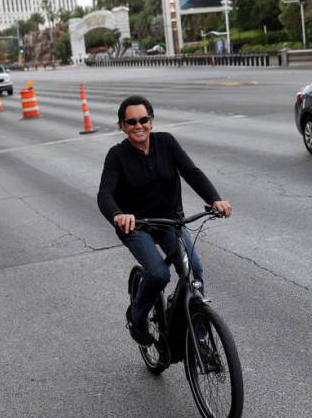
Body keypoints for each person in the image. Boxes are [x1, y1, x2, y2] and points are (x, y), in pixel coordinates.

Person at [97, 95, 232, 346]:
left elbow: (192, 173)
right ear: (122, 126)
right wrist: (118, 215)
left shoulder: (167, 142)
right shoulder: (116, 155)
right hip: (137, 226)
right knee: (159, 274)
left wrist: (215, 199)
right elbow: (104, 194)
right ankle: (137, 317)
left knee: (194, 270)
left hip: (171, 222)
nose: (139, 126)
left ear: (152, 121)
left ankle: (199, 339)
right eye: (131, 122)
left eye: (144, 120)